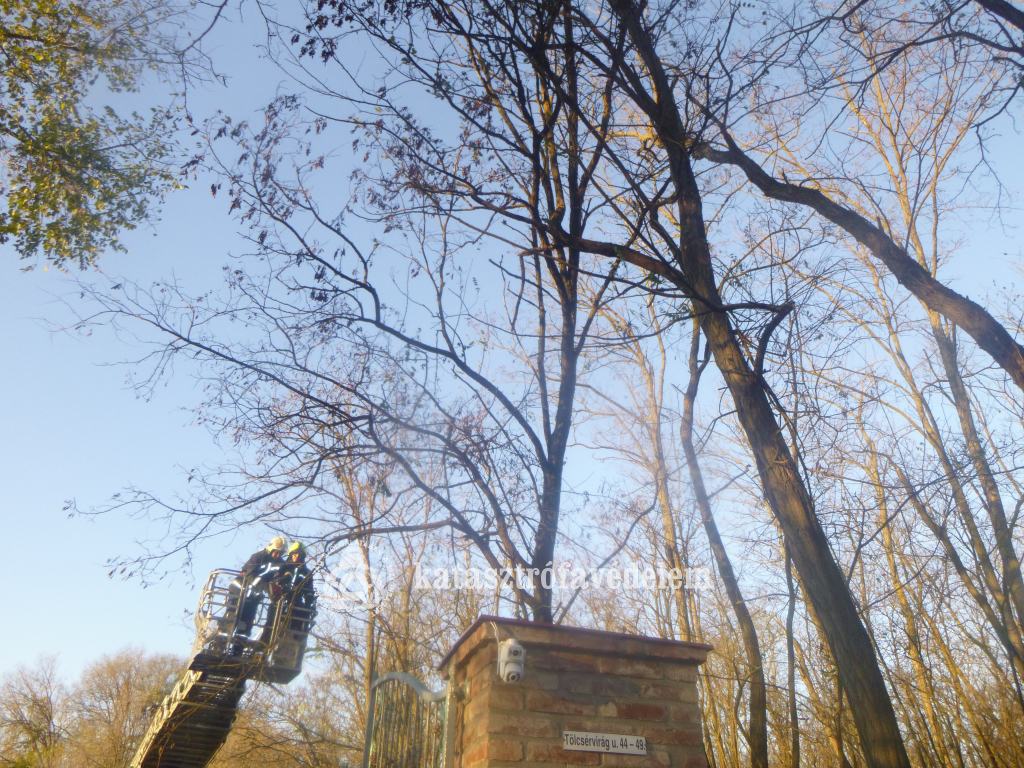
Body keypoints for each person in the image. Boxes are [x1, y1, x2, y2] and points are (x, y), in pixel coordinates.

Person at [230, 537, 287, 653]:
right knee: (231, 617)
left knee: (245, 624)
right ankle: (219, 646)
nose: (277, 555)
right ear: (270, 549)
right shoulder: (258, 557)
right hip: (239, 590)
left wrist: (277, 588)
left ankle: (237, 652)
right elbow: (250, 576)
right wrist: (267, 587)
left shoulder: (281, 563)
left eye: (280, 553)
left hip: (253, 597)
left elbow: (279, 577)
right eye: (276, 552)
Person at [258, 541, 316, 646]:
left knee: (294, 634)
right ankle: (259, 652)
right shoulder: (282, 567)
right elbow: (272, 581)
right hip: (279, 602)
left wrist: (309, 601)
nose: (297, 556)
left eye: (300, 554)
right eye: (295, 553)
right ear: (290, 554)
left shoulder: (306, 573)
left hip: (295, 606)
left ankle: (284, 658)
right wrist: (281, 580)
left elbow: (309, 590)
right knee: (270, 628)